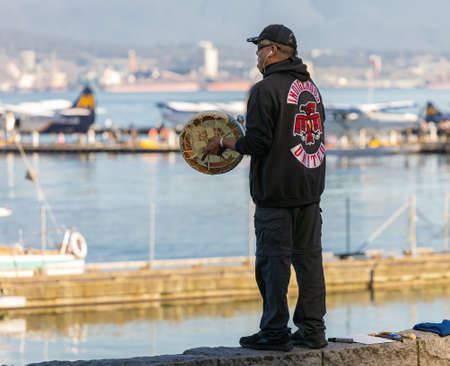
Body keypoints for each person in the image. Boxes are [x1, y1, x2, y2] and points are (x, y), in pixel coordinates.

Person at [203, 24, 327, 352]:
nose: (256, 54)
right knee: (309, 261)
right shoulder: (310, 87)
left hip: (276, 192)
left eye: (259, 47)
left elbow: (258, 142)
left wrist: (224, 143)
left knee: (273, 264)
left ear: (271, 50)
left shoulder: (264, 90)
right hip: (310, 190)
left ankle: (274, 332)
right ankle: (313, 330)